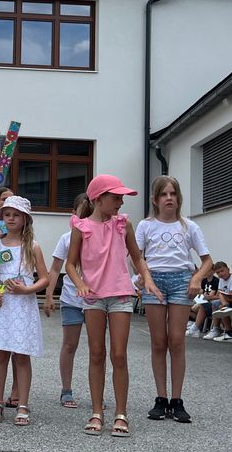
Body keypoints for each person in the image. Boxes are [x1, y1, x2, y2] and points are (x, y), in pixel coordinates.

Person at [66, 174, 162, 437]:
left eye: (121, 197)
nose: (120, 202)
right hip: (94, 297)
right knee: (96, 353)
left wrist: (148, 278)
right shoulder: (81, 226)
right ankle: (97, 411)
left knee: (119, 355)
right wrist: (80, 284)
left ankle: (121, 413)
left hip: (120, 295)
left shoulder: (124, 224)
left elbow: (137, 257)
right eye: (115, 197)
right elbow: (70, 264)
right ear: (98, 199)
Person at [136, 176, 212, 423]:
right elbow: (136, 257)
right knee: (158, 342)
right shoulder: (145, 226)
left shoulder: (189, 226)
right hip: (154, 282)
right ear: (155, 200)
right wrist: (143, 276)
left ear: (178, 198)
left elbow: (207, 261)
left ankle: (177, 400)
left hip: (181, 280)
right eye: (164, 194)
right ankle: (161, 398)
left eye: (173, 194)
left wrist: (196, 278)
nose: (169, 198)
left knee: (177, 341)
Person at [0, 196, 48, 426]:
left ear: (25, 219)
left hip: (22, 306)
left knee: (21, 355)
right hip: (2, 306)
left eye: (16, 214)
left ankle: (23, 403)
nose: (11, 218)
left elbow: (46, 278)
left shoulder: (32, 247)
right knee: (0, 354)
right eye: (7, 214)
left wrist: (27, 289)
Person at [44, 193, 88, 409]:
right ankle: (66, 390)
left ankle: (98, 392)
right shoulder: (67, 238)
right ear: (74, 214)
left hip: (98, 299)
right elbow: (55, 268)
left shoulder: (105, 235)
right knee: (70, 345)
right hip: (72, 299)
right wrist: (49, 295)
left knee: (98, 348)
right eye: (84, 211)